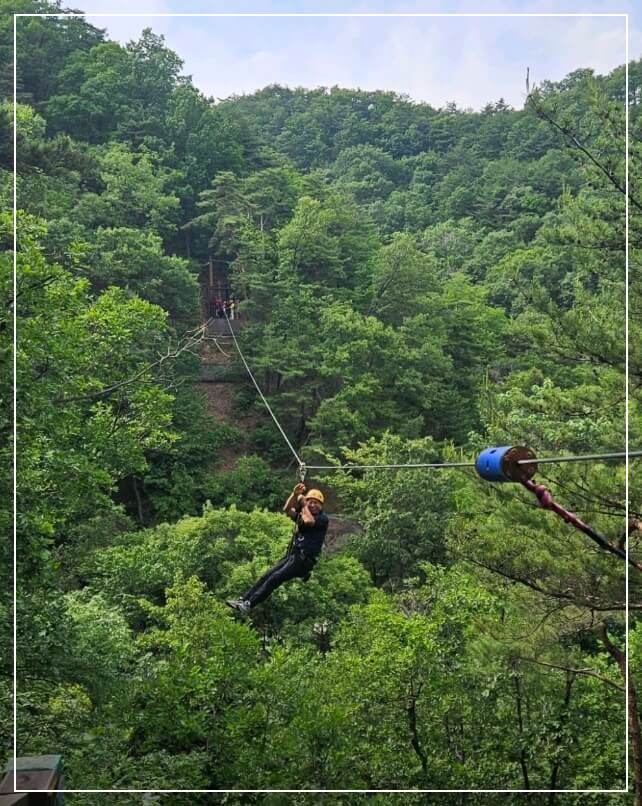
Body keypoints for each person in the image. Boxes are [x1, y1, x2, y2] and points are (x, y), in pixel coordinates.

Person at [226, 484, 329, 614]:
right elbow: (287, 509)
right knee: (266, 575)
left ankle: (249, 604)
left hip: (303, 561)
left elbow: (309, 521)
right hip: (293, 556)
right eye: (310, 502)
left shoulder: (322, 519)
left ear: (320, 506)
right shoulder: (303, 515)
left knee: (276, 577)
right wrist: (295, 494)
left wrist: (304, 504)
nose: (313, 505)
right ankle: (243, 600)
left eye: (316, 503)